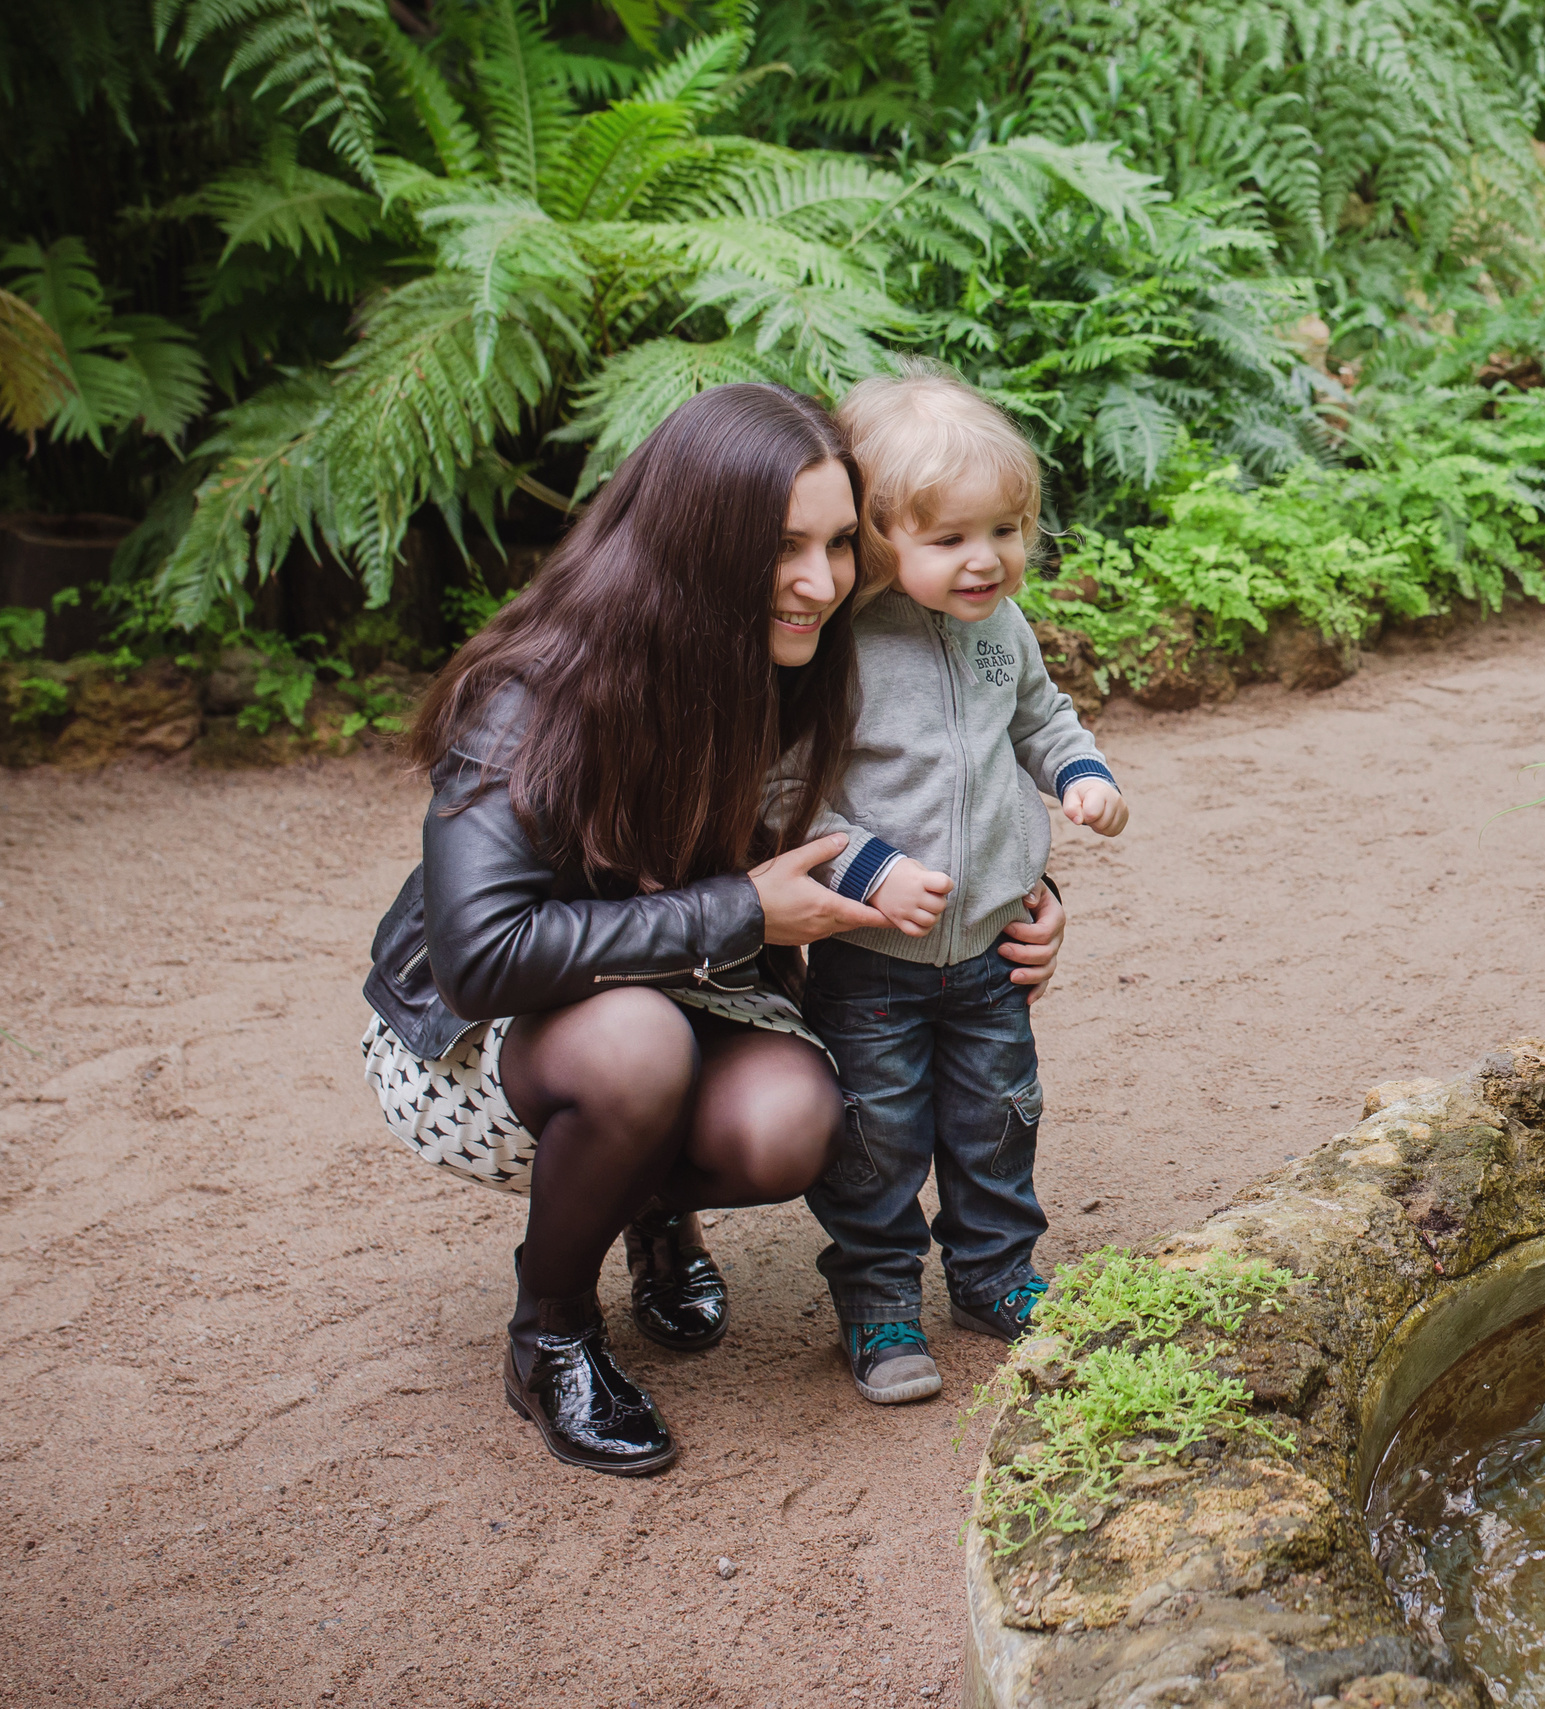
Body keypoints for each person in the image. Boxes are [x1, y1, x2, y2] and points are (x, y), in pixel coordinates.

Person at [356, 383, 1067, 1476]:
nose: (820, 579)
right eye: (782, 547)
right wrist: (744, 910)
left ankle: (647, 1207)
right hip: (485, 1031)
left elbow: (922, 788)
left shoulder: (806, 651)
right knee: (635, 1046)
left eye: (840, 543)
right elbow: (482, 956)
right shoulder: (536, 692)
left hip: (703, 984)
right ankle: (551, 1332)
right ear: (695, 538)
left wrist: (1014, 898)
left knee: (793, 1119)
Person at [774, 368, 1127, 1406]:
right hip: (870, 961)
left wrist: (1082, 774)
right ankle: (880, 1296)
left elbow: (1042, 719)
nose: (988, 559)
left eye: (1006, 530)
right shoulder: (836, 649)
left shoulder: (1000, 629)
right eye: (951, 538)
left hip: (988, 954)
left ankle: (995, 1273)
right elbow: (789, 793)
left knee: (999, 1117)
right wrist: (871, 870)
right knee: (873, 1134)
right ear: (881, 537)